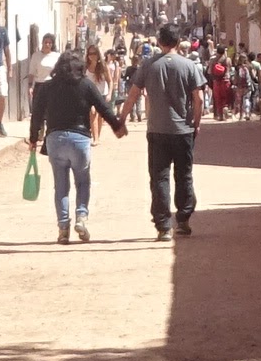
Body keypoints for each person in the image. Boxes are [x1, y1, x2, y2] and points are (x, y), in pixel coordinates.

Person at [30, 40, 126, 242]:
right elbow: (103, 108)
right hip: (80, 139)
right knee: (82, 182)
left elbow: (36, 115)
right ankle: (81, 216)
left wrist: (33, 139)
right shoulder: (86, 85)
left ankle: (63, 227)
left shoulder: (47, 87)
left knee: (60, 186)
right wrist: (117, 126)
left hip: (55, 139)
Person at [135, 24, 208, 240]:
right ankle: (183, 220)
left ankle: (163, 225)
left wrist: (121, 119)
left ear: (159, 42)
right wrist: (196, 123)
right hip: (183, 130)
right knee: (183, 175)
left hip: (157, 130)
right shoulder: (189, 65)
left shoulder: (148, 65)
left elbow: (133, 94)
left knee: (159, 177)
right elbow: (199, 98)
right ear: (178, 42)